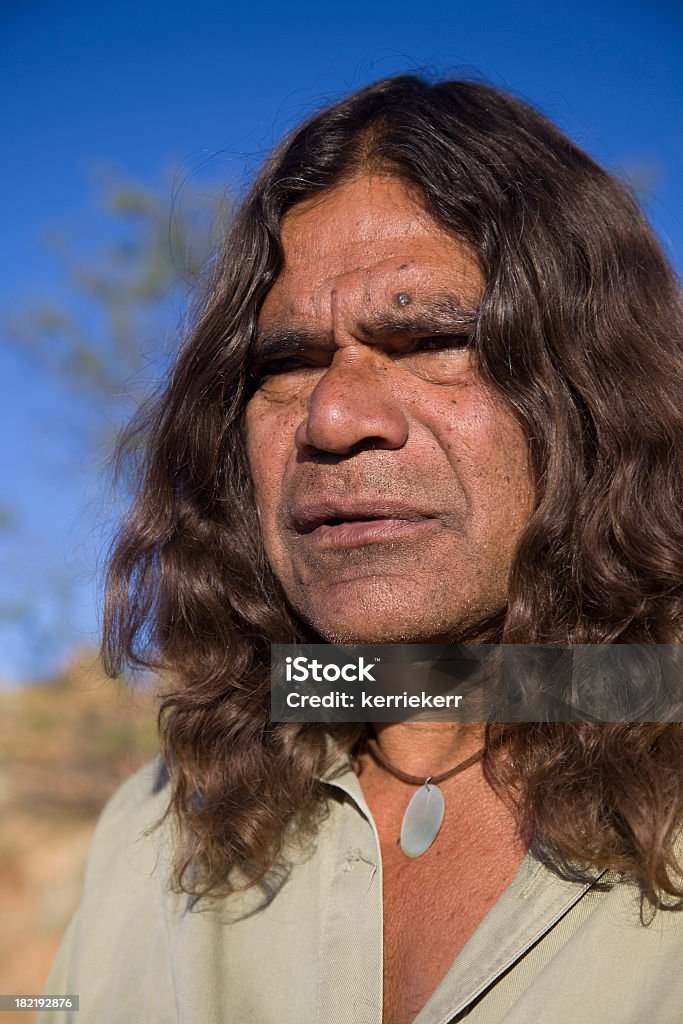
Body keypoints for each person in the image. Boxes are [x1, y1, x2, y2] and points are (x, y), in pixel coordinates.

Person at [40, 75, 683, 1024]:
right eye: (286, 363)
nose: (334, 417)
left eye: (430, 339)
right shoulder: (162, 818)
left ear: (592, 389)